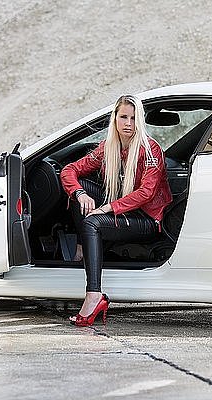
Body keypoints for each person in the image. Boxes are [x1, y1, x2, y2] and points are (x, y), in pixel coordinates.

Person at [60, 94, 173, 327]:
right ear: (115, 118)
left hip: (147, 219)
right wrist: (80, 193)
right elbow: (68, 171)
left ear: (139, 121)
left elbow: (147, 193)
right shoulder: (108, 148)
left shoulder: (150, 150)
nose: (128, 123)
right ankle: (84, 246)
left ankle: (94, 295)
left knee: (92, 221)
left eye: (133, 118)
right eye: (123, 117)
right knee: (81, 192)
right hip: (123, 210)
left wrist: (108, 208)